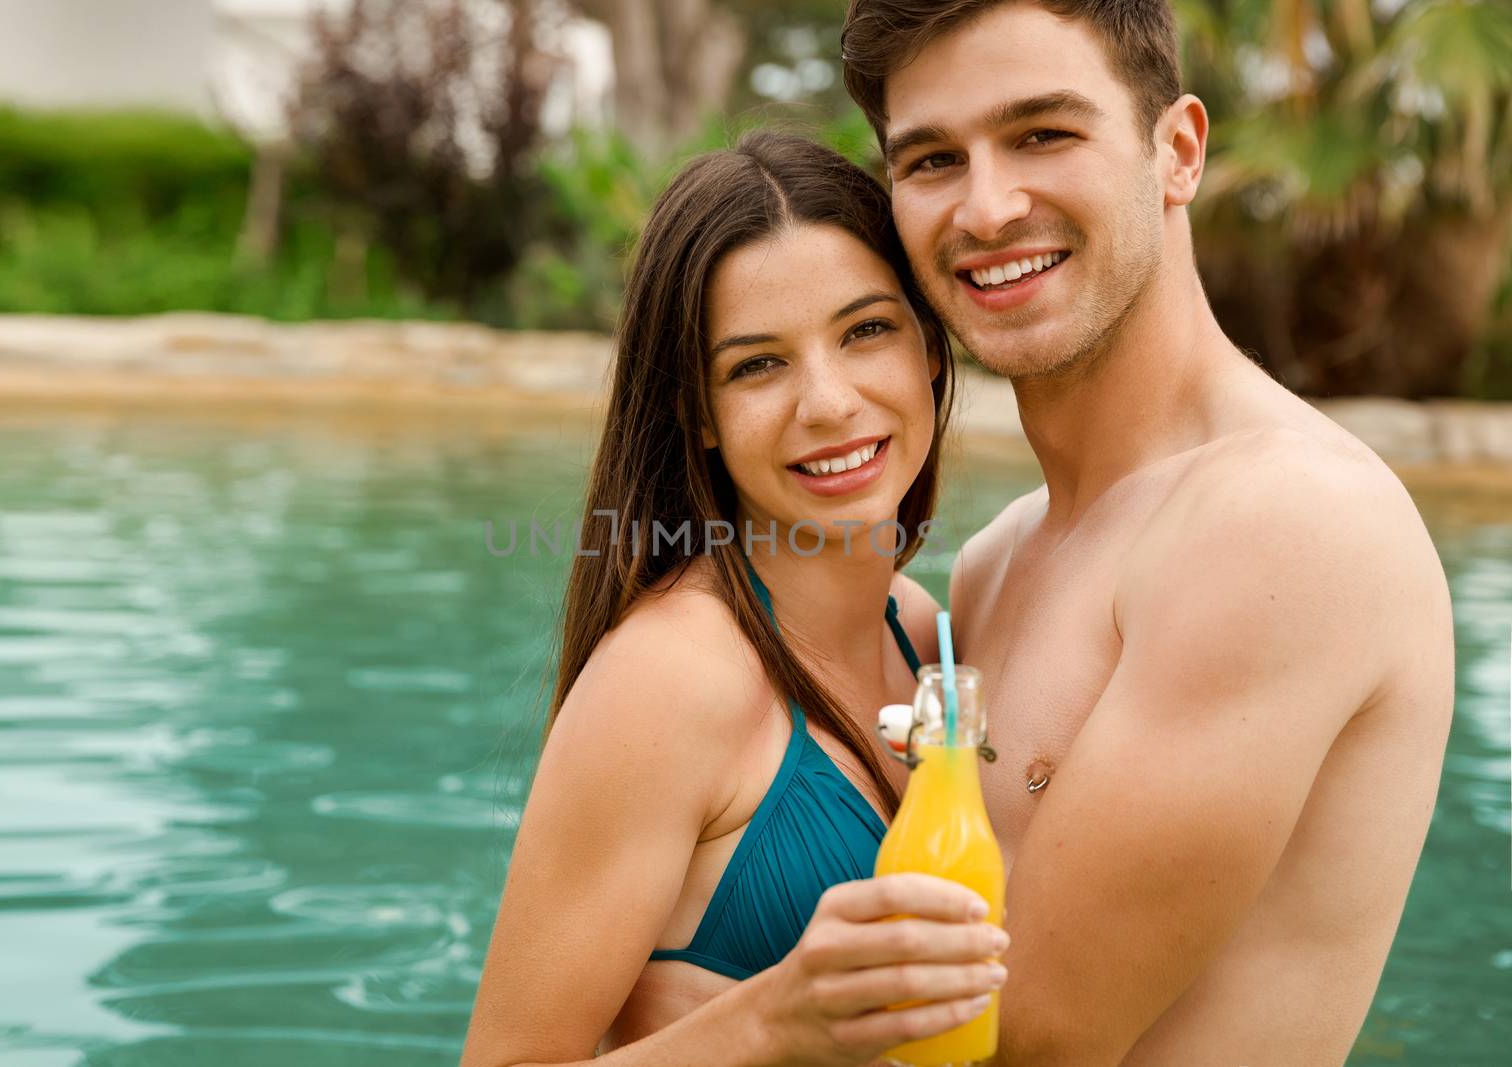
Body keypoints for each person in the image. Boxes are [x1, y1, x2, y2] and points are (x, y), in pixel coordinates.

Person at [838, 1, 1456, 1064]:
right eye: (933, 159)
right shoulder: (991, 563)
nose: (985, 208)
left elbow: (1029, 1035)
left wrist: (685, 1008)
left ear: (1175, 152)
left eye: (1042, 133)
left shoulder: (1284, 518)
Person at [463, 132, 1011, 1067]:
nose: (830, 402)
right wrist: (769, 1023)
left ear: (928, 346)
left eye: (866, 329)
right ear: (699, 413)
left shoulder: (918, 631)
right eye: (758, 364)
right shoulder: (672, 678)